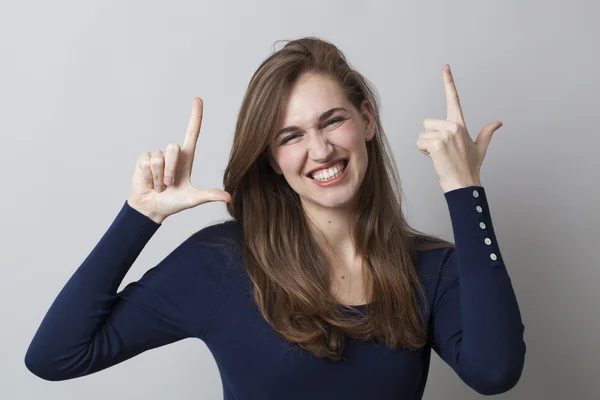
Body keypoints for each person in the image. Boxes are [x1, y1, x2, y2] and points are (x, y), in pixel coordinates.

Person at [24, 37, 526, 399]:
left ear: (367, 120)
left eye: (333, 121)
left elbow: (495, 372)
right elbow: (56, 356)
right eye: (290, 136)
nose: (320, 149)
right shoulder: (222, 262)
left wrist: (465, 190)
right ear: (271, 158)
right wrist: (140, 215)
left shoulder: (430, 268)